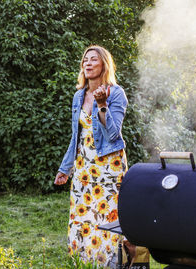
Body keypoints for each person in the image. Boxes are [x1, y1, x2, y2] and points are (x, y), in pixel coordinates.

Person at [54, 45, 128, 267]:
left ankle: (112, 264)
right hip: (83, 167)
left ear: (104, 65)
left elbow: (113, 134)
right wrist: (64, 168)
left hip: (108, 169)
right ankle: (83, 264)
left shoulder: (116, 94)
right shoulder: (78, 96)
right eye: (85, 60)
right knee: (83, 218)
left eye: (93, 59)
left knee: (108, 221)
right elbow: (76, 136)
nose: (87, 63)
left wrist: (102, 104)